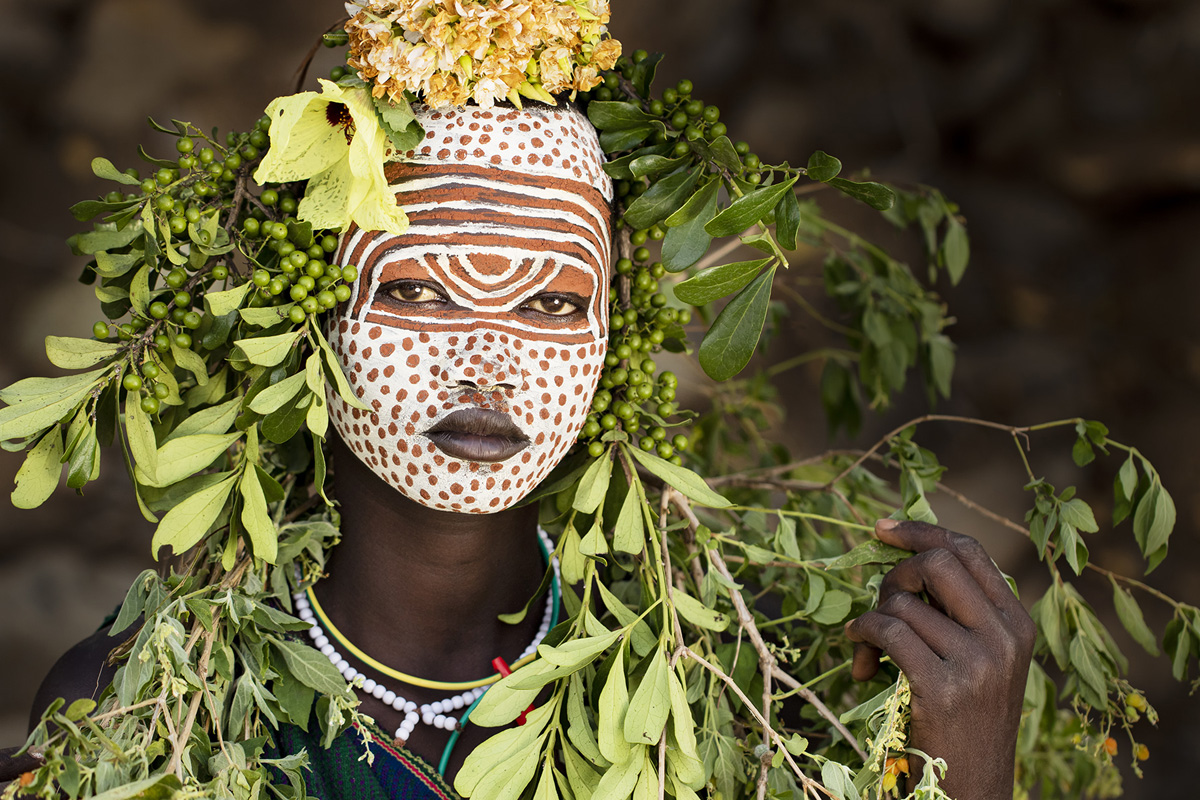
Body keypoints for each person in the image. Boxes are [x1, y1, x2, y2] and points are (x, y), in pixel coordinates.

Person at [0, 4, 1035, 799]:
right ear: (305, 314)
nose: (487, 359)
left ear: (612, 330)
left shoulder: (741, 693)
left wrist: (968, 779)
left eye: (550, 298)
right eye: (415, 289)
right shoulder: (135, 704)